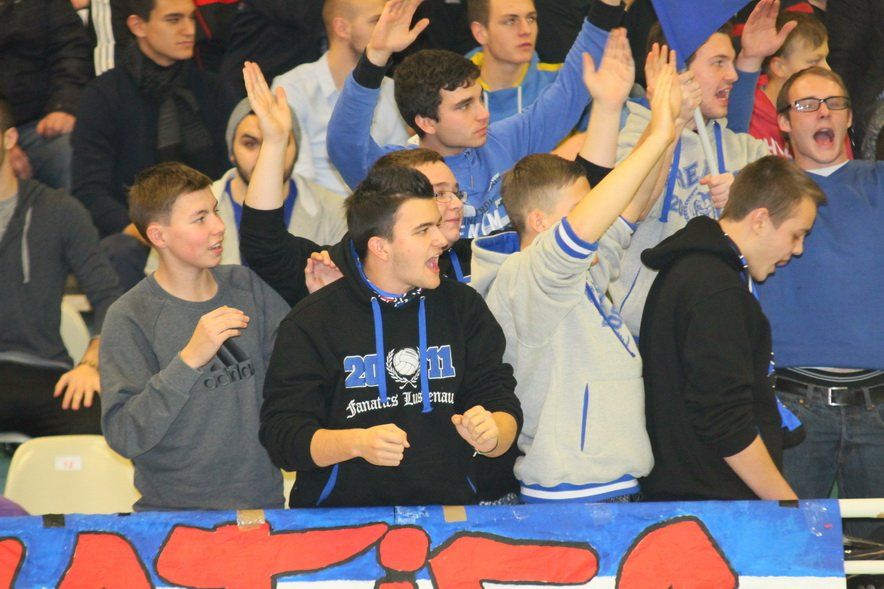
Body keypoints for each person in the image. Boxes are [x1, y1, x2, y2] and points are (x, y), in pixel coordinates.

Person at [252, 64, 521, 506]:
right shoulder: (314, 319)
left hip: (448, 519)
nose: (441, 239)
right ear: (380, 246)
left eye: (437, 224)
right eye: (422, 230)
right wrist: (353, 443)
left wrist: (494, 435)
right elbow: (283, 437)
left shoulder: (463, 306)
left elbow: (501, 401)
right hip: (342, 524)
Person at [471, 39, 679, 502]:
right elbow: (590, 224)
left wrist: (668, 126)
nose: (593, 219)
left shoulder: (575, 272)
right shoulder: (526, 277)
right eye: (579, 210)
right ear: (541, 222)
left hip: (605, 486)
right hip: (572, 495)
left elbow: (632, 206)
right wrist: (658, 133)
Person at [327, 0, 625, 238]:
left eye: (480, 99)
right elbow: (344, 143)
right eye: (464, 106)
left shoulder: (503, 140)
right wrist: (376, 57)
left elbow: (569, 91)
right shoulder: (397, 174)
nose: (484, 114)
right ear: (426, 122)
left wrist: (606, 7)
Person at [100, 160, 289, 511]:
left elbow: (294, 381)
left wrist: (319, 300)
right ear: (159, 236)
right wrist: (188, 361)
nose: (219, 226)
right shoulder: (129, 317)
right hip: (171, 516)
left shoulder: (246, 286)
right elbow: (124, 435)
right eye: (200, 218)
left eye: (215, 211)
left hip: (261, 506)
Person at [639, 155, 825, 501]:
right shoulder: (717, 290)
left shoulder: (693, 271)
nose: (797, 250)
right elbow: (724, 421)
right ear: (760, 220)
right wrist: (787, 505)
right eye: (796, 235)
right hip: (713, 503)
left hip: (693, 494)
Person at [609, 0, 795, 337]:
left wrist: (745, 199)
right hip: (637, 336)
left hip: (715, 331)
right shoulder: (627, 135)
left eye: (732, 62)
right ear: (676, 71)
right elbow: (628, 210)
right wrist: (670, 123)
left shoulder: (744, 150)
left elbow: (792, 217)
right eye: (718, 63)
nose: (733, 75)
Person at [760, 67, 884, 538]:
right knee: (788, 554)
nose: (824, 113)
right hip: (792, 405)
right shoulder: (757, 192)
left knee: (874, 560)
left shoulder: (878, 181)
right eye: (807, 105)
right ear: (784, 122)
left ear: (850, 117)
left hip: (878, 404)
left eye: (835, 103)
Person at [71, 0, 233, 289]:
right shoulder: (103, 96)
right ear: (138, 26)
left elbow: (230, 173)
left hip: (211, 225)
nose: (189, 30)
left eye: (191, 18)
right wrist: (147, 232)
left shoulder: (213, 90)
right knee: (118, 250)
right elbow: (90, 190)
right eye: (174, 20)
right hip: (139, 233)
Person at [0, 97, 120, 438]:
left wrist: (91, 364)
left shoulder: (60, 210)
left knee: (100, 422)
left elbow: (110, 297)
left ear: (9, 139)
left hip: (46, 373)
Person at [144, 97, 346, 274]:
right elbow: (162, 284)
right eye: (250, 144)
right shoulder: (187, 206)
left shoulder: (335, 209)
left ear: (297, 149)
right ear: (231, 152)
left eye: (279, 142)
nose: (265, 155)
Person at [272, 0, 410, 197]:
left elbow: (399, 166)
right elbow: (298, 178)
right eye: (376, 21)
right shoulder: (292, 88)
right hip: (316, 211)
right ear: (342, 28)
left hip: (380, 207)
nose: (386, 29)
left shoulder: (390, 88)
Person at [0, 0, 93, 191]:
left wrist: (64, 106)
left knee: (72, 154)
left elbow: (71, 50)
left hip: (41, 125)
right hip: (4, 129)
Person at [749, 12, 843, 157]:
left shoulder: (828, 110)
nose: (827, 69)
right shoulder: (748, 115)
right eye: (814, 62)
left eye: (826, 59)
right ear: (779, 67)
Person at [466, 0, 562, 123]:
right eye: (510, 21)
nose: (526, 30)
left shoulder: (563, 81)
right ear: (481, 33)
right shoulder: (451, 92)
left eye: (531, 19)